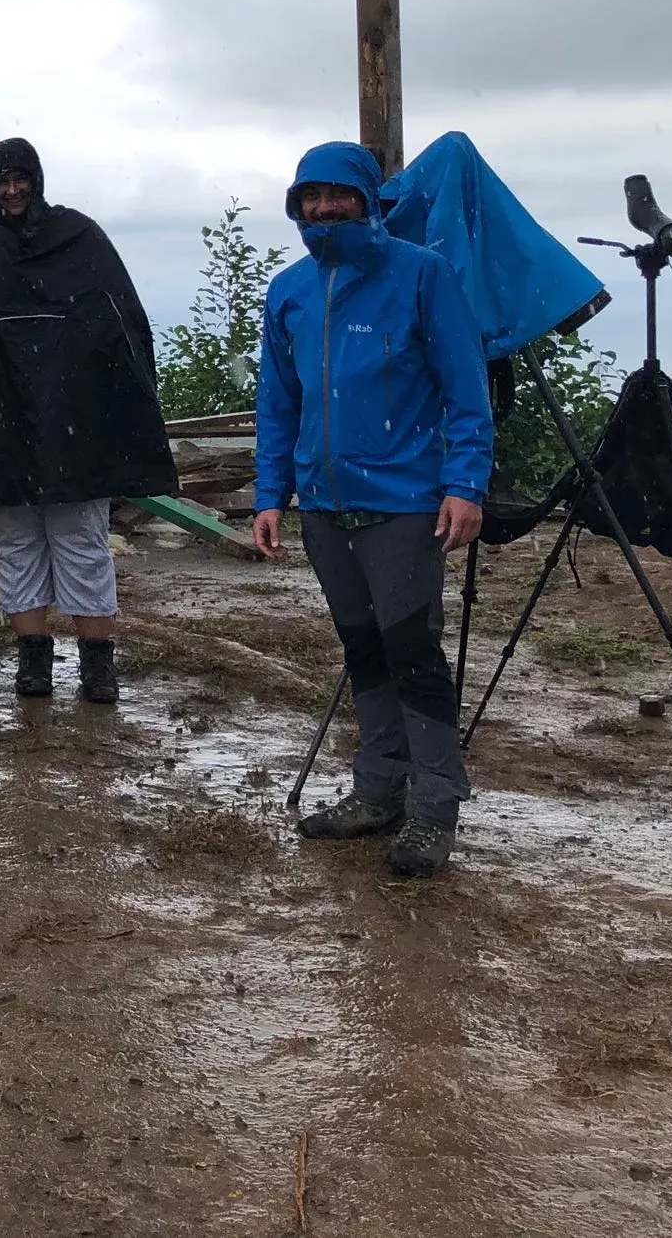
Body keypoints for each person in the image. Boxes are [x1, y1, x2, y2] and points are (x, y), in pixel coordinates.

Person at [253, 141, 492, 880]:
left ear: (368, 200)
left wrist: (466, 484)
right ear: (297, 206)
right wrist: (271, 495)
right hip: (325, 506)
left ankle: (435, 806)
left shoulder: (422, 274)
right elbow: (278, 405)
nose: (324, 208)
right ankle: (378, 790)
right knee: (362, 650)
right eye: (311, 196)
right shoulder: (290, 291)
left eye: (339, 195)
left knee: (412, 653)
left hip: (405, 504)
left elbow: (466, 389)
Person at [0, 139, 177, 704]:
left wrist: (116, 402)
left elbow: (122, 327)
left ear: (37, 178)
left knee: (82, 540)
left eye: (20, 178)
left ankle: (97, 664)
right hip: (1, 423)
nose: (12, 190)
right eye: (1, 181)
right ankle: (33, 661)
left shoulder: (80, 238)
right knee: (16, 541)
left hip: (73, 421)